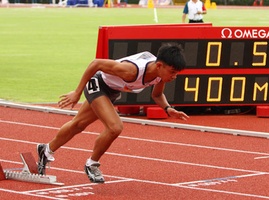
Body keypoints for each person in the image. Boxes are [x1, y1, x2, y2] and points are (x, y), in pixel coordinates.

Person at [37, 43, 190, 184]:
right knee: (115, 127)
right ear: (159, 65)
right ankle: (92, 164)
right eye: (172, 72)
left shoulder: (159, 75)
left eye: (176, 73)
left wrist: (168, 109)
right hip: (98, 84)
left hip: (112, 91)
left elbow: (157, 95)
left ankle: (46, 150)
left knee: (78, 124)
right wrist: (77, 93)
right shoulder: (130, 71)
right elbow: (96, 63)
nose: (174, 77)